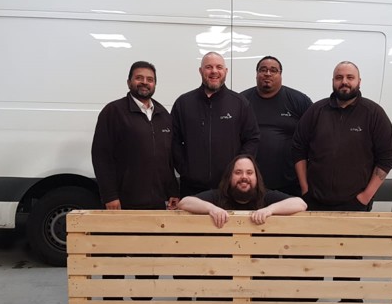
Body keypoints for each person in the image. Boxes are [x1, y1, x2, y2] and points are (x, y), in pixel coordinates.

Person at [293, 61, 392, 211]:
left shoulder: (374, 113)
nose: (344, 82)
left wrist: (365, 197)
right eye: (339, 77)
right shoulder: (316, 111)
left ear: (359, 82)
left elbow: (387, 158)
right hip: (314, 201)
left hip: (356, 203)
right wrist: (305, 189)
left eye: (350, 77)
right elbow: (298, 149)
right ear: (333, 81)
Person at [91, 61, 179, 210]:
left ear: (155, 85)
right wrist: (110, 196)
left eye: (150, 79)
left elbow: (168, 160)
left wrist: (173, 191)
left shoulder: (163, 115)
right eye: (139, 78)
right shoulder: (113, 112)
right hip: (123, 202)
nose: (145, 82)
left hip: (158, 202)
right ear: (129, 82)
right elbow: (101, 156)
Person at [171, 52, 260, 197]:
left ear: (226, 71)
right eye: (208, 67)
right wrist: (185, 168)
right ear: (201, 71)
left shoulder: (240, 103)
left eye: (219, 67)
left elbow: (252, 138)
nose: (214, 71)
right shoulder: (183, 103)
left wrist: (237, 170)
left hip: (229, 189)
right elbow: (173, 140)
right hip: (191, 188)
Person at [241, 55, 312, 196]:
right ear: (256, 74)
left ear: (280, 74)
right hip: (249, 183)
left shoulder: (299, 101)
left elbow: (313, 139)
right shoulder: (242, 101)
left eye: (273, 70)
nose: (268, 73)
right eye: (263, 70)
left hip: (290, 183)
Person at [177, 154, 307, 228]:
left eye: (249, 172)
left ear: (256, 177)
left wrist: (269, 210)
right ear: (230, 176)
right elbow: (185, 202)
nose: (244, 177)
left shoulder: (265, 196)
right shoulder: (219, 196)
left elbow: (301, 204)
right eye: (238, 172)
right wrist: (212, 209)